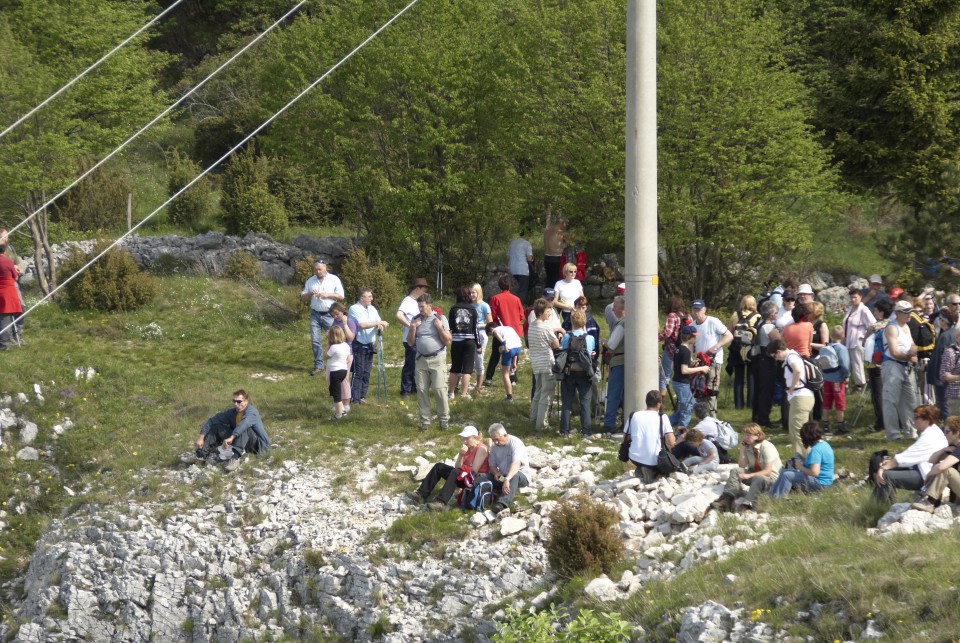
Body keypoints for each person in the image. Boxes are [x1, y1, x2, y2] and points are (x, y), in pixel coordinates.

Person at [872, 405, 947, 502]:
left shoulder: (929, 436)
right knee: (889, 470)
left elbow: (904, 458)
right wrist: (890, 463)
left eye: (916, 417)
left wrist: (883, 468)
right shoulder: (933, 431)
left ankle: (877, 506)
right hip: (924, 471)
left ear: (927, 419)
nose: (914, 419)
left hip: (926, 476)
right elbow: (909, 456)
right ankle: (884, 504)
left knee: (885, 476)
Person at [405, 425, 490, 510]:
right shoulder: (468, 448)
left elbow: (474, 471)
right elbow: (458, 467)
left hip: (475, 479)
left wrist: (461, 470)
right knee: (439, 466)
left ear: (475, 437)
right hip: (466, 476)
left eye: (467, 438)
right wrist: (461, 455)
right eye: (464, 438)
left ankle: (441, 502)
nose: (464, 441)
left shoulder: (481, 449)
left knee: (455, 472)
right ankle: (421, 494)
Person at [190, 390, 270, 472]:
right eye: (234, 401)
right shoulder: (233, 412)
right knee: (216, 427)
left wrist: (231, 438)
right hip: (240, 439)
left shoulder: (252, 412)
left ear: (246, 401)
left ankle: (235, 458)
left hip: (256, 444)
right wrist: (201, 436)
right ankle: (200, 455)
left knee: (245, 428)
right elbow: (212, 420)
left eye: (239, 401)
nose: (236, 404)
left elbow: (244, 424)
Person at [712, 423, 782, 514]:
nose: (745, 437)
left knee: (758, 477)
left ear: (757, 436)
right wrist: (742, 450)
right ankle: (727, 498)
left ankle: (747, 504)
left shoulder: (767, 446)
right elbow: (742, 466)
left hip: (771, 478)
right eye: (745, 435)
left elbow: (768, 471)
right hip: (756, 475)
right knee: (735, 471)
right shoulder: (749, 447)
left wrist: (749, 475)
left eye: (749, 435)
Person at [409, 293, 452, 430]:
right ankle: (425, 421)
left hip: (437, 358)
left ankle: (444, 419)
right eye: (419, 307)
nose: (420, 309)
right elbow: (410, 343)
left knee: (439, 390)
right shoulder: (415, 320)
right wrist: (413, 328)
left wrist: (439, 327)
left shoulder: (440, 318)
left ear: (429, 306)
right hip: (421, 359)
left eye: (422, 307)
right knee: (421, 390)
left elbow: (448, 341)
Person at [768, 339, 814, 457]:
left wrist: (792, 388)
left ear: (778, 351)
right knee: (795, 430)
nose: (775, 359)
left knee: (798, 432)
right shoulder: (794, 355)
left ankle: (803, 460)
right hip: (801, 397)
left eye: (774, 356)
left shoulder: (791, 357)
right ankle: (801, 458)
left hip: (800, 397)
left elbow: (797, 371)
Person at [882, 300, 919, 440]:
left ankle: (911, 432)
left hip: (905, 366)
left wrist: (913, 352)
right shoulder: (892, 327)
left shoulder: (906, 327)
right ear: (897, 313)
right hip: (892, 365)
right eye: (906, 312)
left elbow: (912, 344)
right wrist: (909, 357)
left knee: (909, 401)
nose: (909, 315)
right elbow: (894, 352)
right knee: (890, 401)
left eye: (910, 312)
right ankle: (892, 435)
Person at [300, 259, 344, 376]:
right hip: (315, 314)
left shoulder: (334, 279)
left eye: (319, 269)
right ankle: (319, 365)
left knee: (335, 338)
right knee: (315, 340)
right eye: (315, 269)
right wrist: (310, 294)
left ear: (325, 268)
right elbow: (303, 297)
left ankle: (338, 362)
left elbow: (341, 296)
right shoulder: (310, 281)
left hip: (330, 314)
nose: (317, 271)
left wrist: (327, 295)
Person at [768, 421, 834, 498]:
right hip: (826, 482)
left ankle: (777, 498)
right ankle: (770, 495)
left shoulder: (816, 450)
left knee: (787, 475)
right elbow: (816, 463)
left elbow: (815, 472)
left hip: (820, 483)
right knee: (784, 472)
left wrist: (800, 467)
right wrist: (803, 460)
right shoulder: (824, 444)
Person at [691, 299, 733, 416]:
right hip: (700, 362)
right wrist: (692, 359)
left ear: (704, 309)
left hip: (714, 361)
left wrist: (715, 347)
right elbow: (691, 344)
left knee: (711, 388)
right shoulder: (692, 326)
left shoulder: (713, 321)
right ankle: (703, 416)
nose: (697, 312)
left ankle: (712, 416)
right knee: (700, 389)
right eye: (695, 310)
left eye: (699, 310)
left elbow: (729, 336)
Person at [349, 288, 389, 405]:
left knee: (367, 372)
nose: (371, 299)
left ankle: (362, 396)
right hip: (359, 344)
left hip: (370, 343)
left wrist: (380, 326)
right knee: (358, 372)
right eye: (369, 296)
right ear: (362, 298)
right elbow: (361, 325)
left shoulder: (372, 309)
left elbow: (378, 320)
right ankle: (354, 398)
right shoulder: (354, 308)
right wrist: (378, 323)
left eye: (371, 296)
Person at [912, 416, 960, 513]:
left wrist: (929, 474)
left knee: (946, 470)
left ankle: (930, 502)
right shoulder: (954, 447)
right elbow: (932, 459)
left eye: (947, 432)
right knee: (937, 466)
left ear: (957, 433)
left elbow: (942, 467)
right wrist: (944, 450)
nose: (944, 434)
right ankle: (935, 501)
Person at [625, 390, 675, 483]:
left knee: (646, 461)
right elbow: (671, 442)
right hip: (655, 460)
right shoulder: (662, 417)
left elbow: (626, 437)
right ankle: (652, 472)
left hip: (634, 458)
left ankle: (643, 469)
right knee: (670, 462)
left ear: (646, 402)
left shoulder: (634, 415)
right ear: (658, 404)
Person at [559, 309, 596, 436]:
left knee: (567, 402)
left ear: (571, 321)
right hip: (584, 373)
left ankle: (564, 430)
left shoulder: (567, 337)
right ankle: (586, 431)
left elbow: (563, 350)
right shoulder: (589, 338)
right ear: (584, 322)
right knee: (585, 402)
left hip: (569, 372)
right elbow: (590, 354)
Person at [482, 423, 532, 513]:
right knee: (483, 476)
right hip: (503, 476)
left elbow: (516, 463)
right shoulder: (494, 447)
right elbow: (492, 465)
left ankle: (502, 503)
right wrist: (496, 473)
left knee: (514, 476)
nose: (496, 442)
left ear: (505, 435)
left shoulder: (516, 443)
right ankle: (480, 497)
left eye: (497, 439)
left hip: (520, 475)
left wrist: (507, 479)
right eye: (493, 440)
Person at [485, 275, 524, 389]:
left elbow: (493, 315)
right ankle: (513, 379)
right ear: (510, 286)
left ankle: (489, 378)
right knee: (515, 355)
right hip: (515, 331)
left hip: (502, 332)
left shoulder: (495, 298)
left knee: (495, 354)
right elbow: (521, 316)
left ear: (499, 286)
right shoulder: (516, 299)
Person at [527, 297, 561, 431]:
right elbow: (556, 344)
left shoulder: (531, 326)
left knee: (538, 391)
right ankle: (541, 423)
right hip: (547, 363)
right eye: (548, 310)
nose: (550, 313)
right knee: (546, 394)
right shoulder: (546, 327)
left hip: (536, 364)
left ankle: (533, 417)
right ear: (541, 312)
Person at [668, 324, 709, 430]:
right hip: (682, 384)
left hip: (677, 382)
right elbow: (684, 370)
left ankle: (664, 425)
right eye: (694, 336)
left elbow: (672, 366)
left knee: (686, 407)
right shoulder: (686, 351)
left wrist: (691, 363)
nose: (695, 338)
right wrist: (701, 368)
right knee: (687, 409)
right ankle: (680, 434)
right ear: (690, 337)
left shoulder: (678, 349)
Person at [396, 278, 430, 396]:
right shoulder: (408, 301)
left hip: (417, 339)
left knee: (416, 365)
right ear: (418, 288)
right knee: (410, 365)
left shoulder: (416, 301)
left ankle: (413, 388)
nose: (425, 292)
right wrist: (411, 326)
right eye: (424, 289)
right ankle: (405, 390)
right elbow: (399, 315)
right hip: (410, 339)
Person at [751, 300, 781, 428]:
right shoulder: (769, 327)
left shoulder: (759, 323)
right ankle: (764, 418)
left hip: (758, 359)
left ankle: (756, 415)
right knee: (767, 390)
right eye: (775, 312)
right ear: (771, 315)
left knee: (759, 389)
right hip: (768, 361)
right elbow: (779, 341)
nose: (777, 314)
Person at [727, 295, 760, 410]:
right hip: (751, 350)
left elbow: (729, 332)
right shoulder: (757, 316)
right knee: (751, 377)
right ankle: (751, 404)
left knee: (738, 377)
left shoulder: (735, 315)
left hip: (737, 349)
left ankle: (739, 404)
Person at [447, 286, 480, 401]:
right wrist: (479, 344)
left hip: (456, 340)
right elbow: (475, 329)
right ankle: (464, 393)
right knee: (467, 369)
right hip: (469, 342)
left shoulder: (453, 309)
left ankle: (450, 393)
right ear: (467, 296)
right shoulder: (472, 310)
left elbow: (450, 326)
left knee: (455, 368)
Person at [842, 287, 876, 392]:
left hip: (857, 340)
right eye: (851, 297)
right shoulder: (850, 309)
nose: (853, 300)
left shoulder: (864, 310)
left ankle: (860, 385)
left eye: (855, 297)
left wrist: (864, 336)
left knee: (857, 363)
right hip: (848, 340)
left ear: (860, 297)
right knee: (849, 363)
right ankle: (852, 383)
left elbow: (873, 325)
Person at [928, 306, 957, 420]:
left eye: (939, 319)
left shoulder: (946, 336)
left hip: (943, 378)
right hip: (947, 376)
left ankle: (948, 431)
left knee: (945, 407)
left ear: (943, 321)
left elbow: (944, 359)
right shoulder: (950, 333)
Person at [602, 296, 626, 431]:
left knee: (613, 394)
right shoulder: (630, 321)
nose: (612, 308)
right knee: (625, 394)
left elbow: (612, 345)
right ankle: (625, 420)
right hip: (627, 361)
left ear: (622, 309)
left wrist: (604, 342)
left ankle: (609, 423)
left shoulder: (622, 324)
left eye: (615, 306)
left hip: (618, 361)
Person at [821, 325, 851, 434]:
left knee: (826, 401)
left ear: (830, 335)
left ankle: (825, 425)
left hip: (827, 378)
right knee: (839, 402)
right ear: (843, 336)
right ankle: (840, 425)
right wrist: (847, 375)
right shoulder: (842, 349)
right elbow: (845, 364)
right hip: (838, 379)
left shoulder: (826, 347)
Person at [329, 303, 357, 412]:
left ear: (343, 310)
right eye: (333, 315)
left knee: (344, 379)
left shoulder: (350, 321)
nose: (336, 316)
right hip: (334, 353)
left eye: (337, 313)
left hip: (346, 354)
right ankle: (337, 401)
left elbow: (351, 337)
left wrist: (345, 324)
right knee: (330, 378)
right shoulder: (335, 322)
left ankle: (346, 404)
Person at [658, 295, 687, 401]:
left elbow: (667, 333)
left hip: (671, 350)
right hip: (684, 349)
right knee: (680, 376)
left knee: (664, 376)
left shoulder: (672, 316)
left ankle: (660, 401)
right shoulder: (686, 316)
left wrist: (655, 338)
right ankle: (681, 400)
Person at [0, 228, 25, 340]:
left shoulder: (10, 247)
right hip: (4, 283)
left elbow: (17, 262)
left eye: (7, 235)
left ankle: (17, 334)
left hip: (13, 282)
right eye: (4, 236)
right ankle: (7, 338)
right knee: (4, 313)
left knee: (21, 308)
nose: (7, 238)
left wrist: (18, 268)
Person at [489, 322, 523, 403]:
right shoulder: (508, 328)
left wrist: (504, 344)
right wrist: (514, 362)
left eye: (490, 334)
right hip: (518, 348)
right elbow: (514, 344)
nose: (492, 336)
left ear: (490, 329)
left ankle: (509, 398)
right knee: (501, 349)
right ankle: (509, 395)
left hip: (508, 349)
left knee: (505, 374)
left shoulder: (495, 329)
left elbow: (496, 333)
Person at [471, 283, 494, 396]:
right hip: (470, 334)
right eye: (470, 292)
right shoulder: (469, 305)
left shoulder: (485, 305)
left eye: (473, 292)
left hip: (480, 334)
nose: (471, 295)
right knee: (469, 360)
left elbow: (490, 323)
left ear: (478, 293)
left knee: (479, 359)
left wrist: (479, 326)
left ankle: (478, 386)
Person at [326, 326, 352, 420]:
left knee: (336, 394)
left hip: (335, 371)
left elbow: (325, 356)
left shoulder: (333, 347)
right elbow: (348, 358)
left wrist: (328, 343)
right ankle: (342, 410)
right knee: (336, 390)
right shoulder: (346, 345)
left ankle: (339, 414)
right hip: (343, 370)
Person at [507, 230, 534, 303]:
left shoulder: (512, 243)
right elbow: (529, 258)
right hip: (522, 270)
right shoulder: (527, 244)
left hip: (512, 269)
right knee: (523, 290)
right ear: (527, 235)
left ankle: (513, 304)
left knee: (514, 289)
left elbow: (508, 257)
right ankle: (519, 307)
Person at [543, 214, 567, 287]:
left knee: (549, 280)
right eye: (565, 223)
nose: (565, 225)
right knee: (556, 281)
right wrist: (565, 244)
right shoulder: (559, 232)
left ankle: (547, 296)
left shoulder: (547, 231)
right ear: (561, 223)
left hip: (547, 257)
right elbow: (561, 246)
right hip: (556, 258)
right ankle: (555, 297)